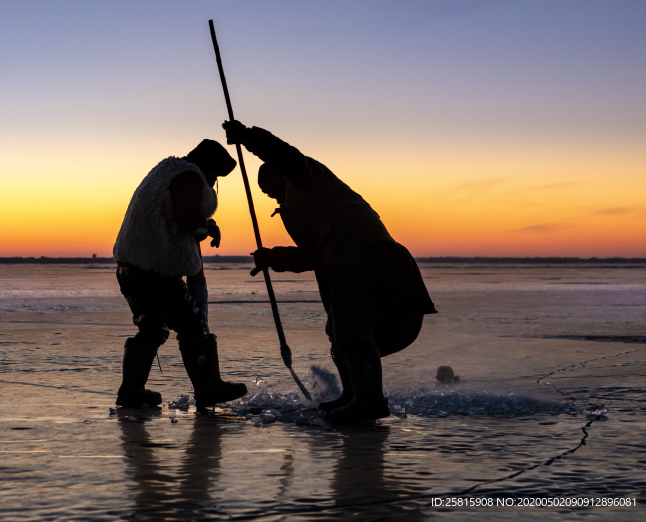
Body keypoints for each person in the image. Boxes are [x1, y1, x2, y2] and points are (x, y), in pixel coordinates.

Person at [223, 121, 436, 424]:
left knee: (351, 330)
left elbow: (286, 156)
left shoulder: (305, 178)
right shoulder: (305, 206)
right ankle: (354, 396)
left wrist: (248, 137)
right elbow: (317, 254)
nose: (274, 199)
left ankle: (369, 401)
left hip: (367, 257)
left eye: (272, 191)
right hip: (349, 262)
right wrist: (275, 257)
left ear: (281, 175)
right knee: (340, 331)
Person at [113, 139, 248, 409]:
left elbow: (175, 214)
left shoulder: (166, 171)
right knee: (192, 325)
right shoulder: (188, 177)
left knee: (152, 328)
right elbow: (187, 217)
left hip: (131, 267)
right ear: (207, 168)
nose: (213, 182)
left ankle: (131, 392)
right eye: (215, 176)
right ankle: (208, 388)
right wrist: (206, 226)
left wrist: (205, 224)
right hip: (154, 270)